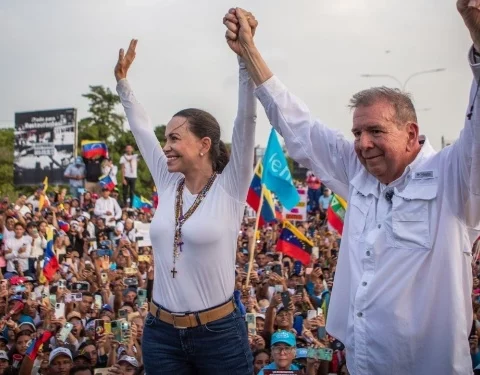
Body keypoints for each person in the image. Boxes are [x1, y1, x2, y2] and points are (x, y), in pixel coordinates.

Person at [223, 3, 480, 374]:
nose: (362, 144)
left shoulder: (453, 177)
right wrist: (250, 52)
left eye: (376, 131)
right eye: (357, 132)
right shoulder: (356, 172)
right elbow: (298, 125)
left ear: (410, 133)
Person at [114, 37, 257, 374]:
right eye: (166, 139)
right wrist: (122, 83)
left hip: (218, 336)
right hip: (161, 334)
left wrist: (243, 62)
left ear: (204, 144)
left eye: (175, 138)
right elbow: (141, 128)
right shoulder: (168, 181)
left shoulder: (230, 188)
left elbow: (246, 122)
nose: (165, 146)